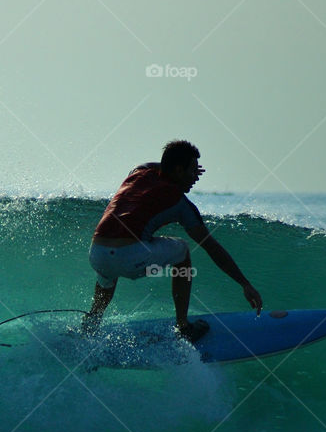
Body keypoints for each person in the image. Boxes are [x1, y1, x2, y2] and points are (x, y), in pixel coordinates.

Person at [82, 140, 263, 342]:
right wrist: (245, 284)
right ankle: (183, 327)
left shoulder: (138, 172)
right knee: (183, 252)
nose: (196, 177)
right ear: (178, 170)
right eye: (193, 171)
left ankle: (91, 324)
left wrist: (180, 169)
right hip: (129, 257)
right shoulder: (180, 203)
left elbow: (157, 166)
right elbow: (211, 246)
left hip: (97, 253)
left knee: (108, 273)